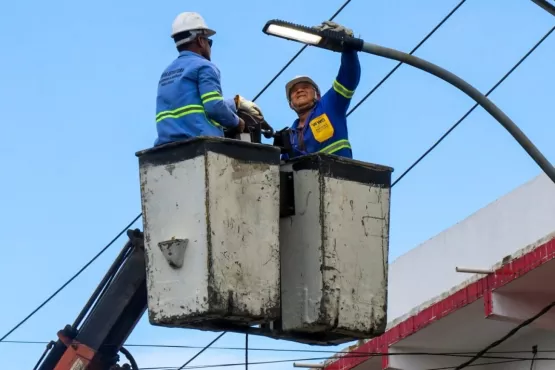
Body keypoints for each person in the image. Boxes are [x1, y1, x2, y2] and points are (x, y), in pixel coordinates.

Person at [154, 12, 263, 146]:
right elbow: (214, 107)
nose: (209, 47)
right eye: (208, 42)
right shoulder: (204, 66)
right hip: (200, 146)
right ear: (200, 40)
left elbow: (192, 103)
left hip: (166, 149)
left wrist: (235, 102)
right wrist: (238, 122)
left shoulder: (167, 73)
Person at [282, 21, 361, 159]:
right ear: (290, 104)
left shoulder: (329, 105)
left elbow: (349, 77)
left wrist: (348, 46)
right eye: (294, 91)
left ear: (317, 96)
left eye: (305, 87)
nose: (299, 91)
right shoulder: (289, 136)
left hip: (341, 175)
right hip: (310, 180)